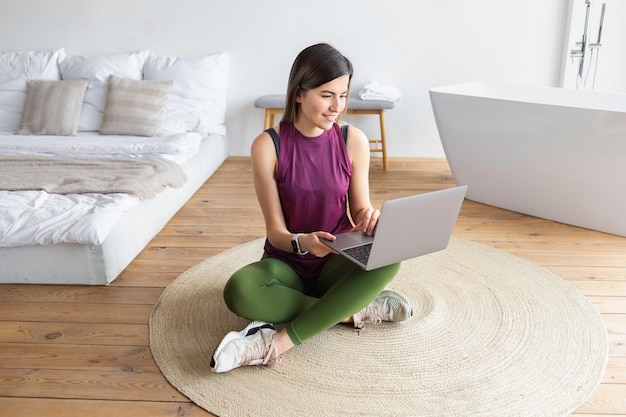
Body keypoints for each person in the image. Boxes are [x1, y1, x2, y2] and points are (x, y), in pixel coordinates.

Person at [210, 43, 412, 373]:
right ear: (299, 93)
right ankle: (351, 309)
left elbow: (360, 210)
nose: (337, 107)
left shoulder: (353, 141)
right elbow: (276, 233)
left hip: (339, 257)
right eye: (326, 94)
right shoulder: (268, 146)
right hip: (287, 264)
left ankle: (275, 344)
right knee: (239, 291)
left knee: (389, 258)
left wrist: (370, 217)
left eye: (343, 95)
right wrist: (303, 242)